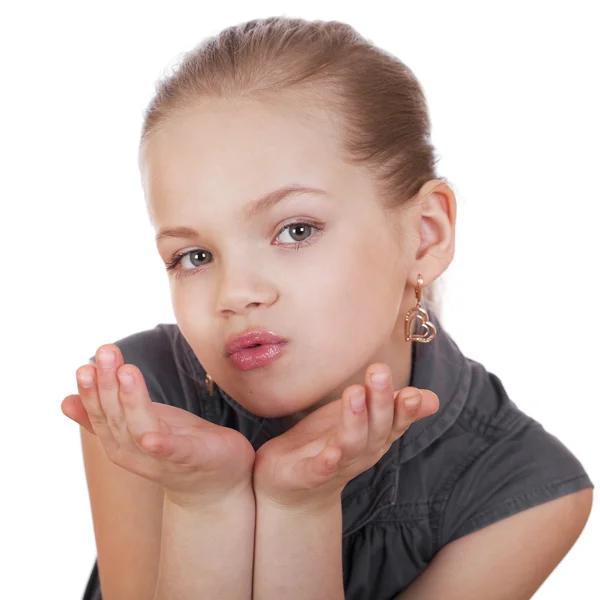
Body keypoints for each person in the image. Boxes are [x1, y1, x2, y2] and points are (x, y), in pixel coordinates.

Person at [61, 16, 594, 600]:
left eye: (295, 230)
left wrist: (302, 509)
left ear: (424, 235)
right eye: (194, 255)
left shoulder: (524, 489)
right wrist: (203, 501)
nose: (235, 293)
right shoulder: (139, 406)